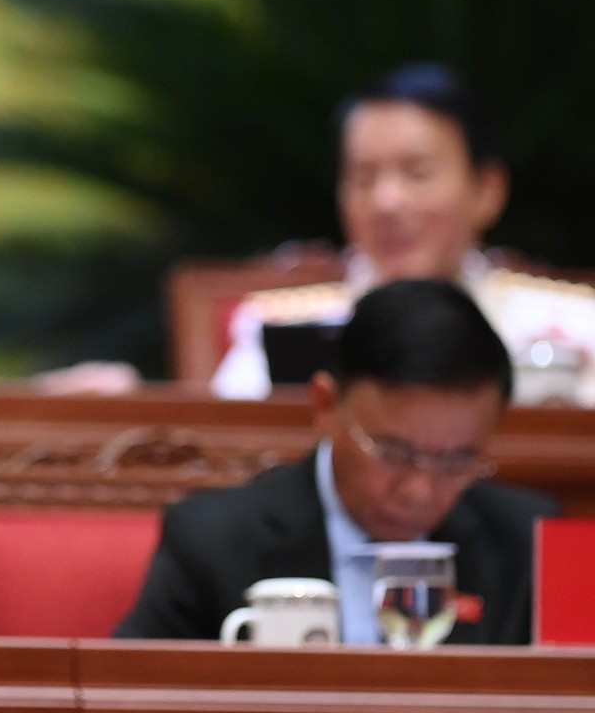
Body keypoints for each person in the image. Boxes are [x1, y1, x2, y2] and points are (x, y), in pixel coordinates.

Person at [120, 279, 557, 644]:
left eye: (457, 461)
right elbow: (127, 703)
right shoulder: (212, 542)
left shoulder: (527, 545)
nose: (420, 490)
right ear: (326, 405)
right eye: (394, 453)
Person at [212, 62, 595, 403]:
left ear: (487, 190)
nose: (387, 202)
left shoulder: (573, 331)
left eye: (418, 172)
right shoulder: (280, 331)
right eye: (363, 177)